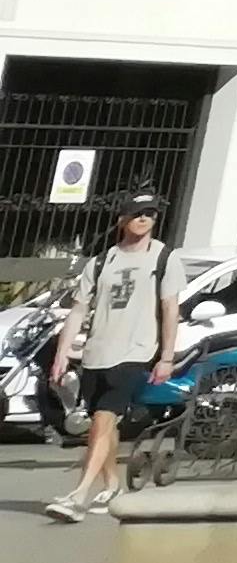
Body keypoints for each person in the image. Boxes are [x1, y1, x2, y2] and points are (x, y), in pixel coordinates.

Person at [44, 188, 179, 523]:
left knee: (104, 420)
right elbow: (78, 310)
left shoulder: (165, 258)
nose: (144, 218)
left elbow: (170, 309)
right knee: (102, 425)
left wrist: (167, 356)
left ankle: (79, 496)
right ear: (122, 219)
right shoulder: (103, 261)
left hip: (135, 352)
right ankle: (112, 485)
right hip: (97, 353)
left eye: (149, 213)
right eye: (137, 213)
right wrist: (62, 354)